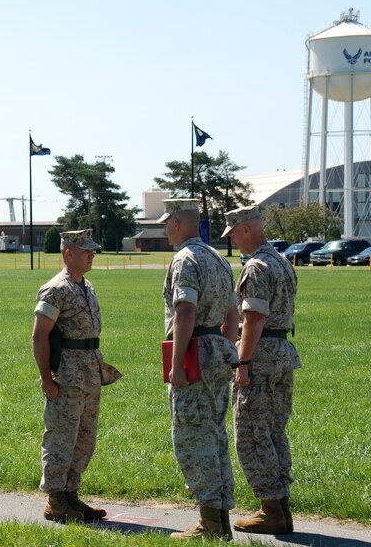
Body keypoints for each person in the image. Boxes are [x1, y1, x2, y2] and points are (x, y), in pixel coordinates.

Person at [159, 199, 240, 540]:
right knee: (214, 432)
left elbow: (185, 313)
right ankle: (219, 518)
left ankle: (209, 522)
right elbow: (233, 313)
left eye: (166, 223)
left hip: (194, 353)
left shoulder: (185, 259)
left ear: (177, 223)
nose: (164, 229)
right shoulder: (218, 258)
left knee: (192, 435)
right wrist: (224, 347)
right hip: (218, 349)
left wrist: (177, 364)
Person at [32, 229, 121, 522]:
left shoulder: (86, 286)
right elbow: (39, 336)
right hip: (67, 376)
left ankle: (71, 495)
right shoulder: (55, 289)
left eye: (92, 250)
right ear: (68, 253)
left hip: (90, 373)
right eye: (86, 250)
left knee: (85, 438)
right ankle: (55, 500)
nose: (91, 254)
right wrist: (47, 379)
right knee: (61, 437)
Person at [223, 205, 301, 535]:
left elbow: (253, 319)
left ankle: (271, 508)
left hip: (261, 356)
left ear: (245, 230)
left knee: (252, 435)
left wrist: (242, 363)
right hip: (282, 353)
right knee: (274, 430)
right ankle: (280, 507)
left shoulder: (255, 267)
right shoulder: (282, 261)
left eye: (234, 235)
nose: (234, 243)